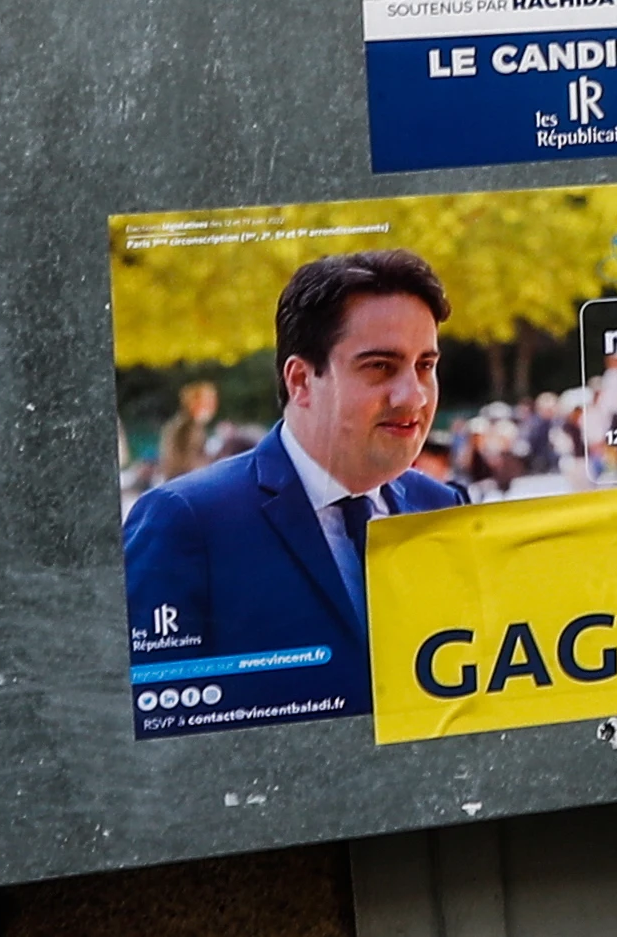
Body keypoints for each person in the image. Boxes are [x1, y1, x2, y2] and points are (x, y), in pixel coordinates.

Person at [120, 252, 466, 724]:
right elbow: (156, 730)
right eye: (381, 367)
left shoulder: (444, 507)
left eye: (425, 365)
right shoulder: (186, 521)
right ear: (301, 381)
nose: (415, 395)